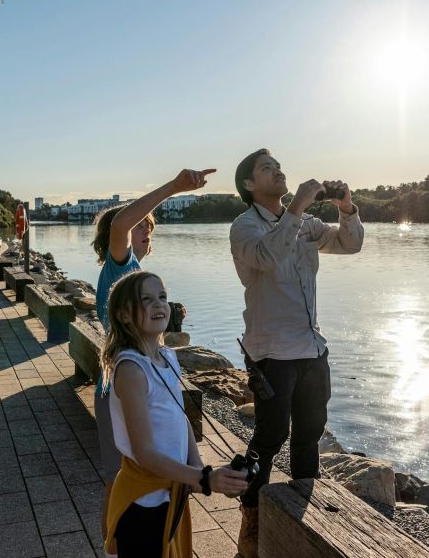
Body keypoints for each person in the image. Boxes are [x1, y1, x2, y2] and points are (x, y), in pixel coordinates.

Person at [229, 148, 364, 557]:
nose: (278, 172)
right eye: (267, 169)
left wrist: (347, 206)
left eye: (278, 166)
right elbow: (268, 258)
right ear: (249, 185)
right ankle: (251, 524)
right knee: (270, 436)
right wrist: (300, 204)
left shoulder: (306, 224)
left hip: (311, 348)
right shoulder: (244, 226)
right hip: (271, 352)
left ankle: (306, 524)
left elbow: (350, 243)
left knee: (309, 435)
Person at [92, 167, 214, 554]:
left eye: (149, 227)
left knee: (139, 481)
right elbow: (121, 222)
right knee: (124, 477)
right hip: (127, 385)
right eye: (140, 226)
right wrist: (175, 187)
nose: (146, 231)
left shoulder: (136, 275)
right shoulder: (119, 269)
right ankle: (117, 543)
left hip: (139, 379)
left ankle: (126, 542)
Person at [100, 270, 248, 557]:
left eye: (162, 297)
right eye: (146, 299)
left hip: (170, 494)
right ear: (124, 315)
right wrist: (202, 478)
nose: (159, 304)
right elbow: (145, 455)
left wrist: (201, 471)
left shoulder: (166, 357)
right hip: (142, 503)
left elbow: (180, 418)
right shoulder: (131, 370)